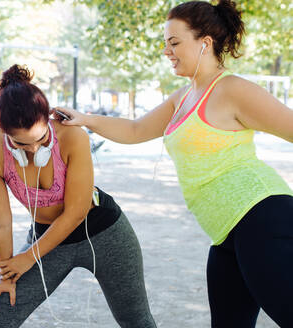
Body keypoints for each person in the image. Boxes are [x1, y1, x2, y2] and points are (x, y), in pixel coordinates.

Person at [54, 1, 293, 327]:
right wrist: (84, 119)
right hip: (225, 235)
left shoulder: (233, 90)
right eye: (165, 44)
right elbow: (136, 130)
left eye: (175, 43)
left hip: (260, 217)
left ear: (205, 42)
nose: (167, 51)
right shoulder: (183, 98)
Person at [0, 64, 156, 328]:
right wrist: (6, 273)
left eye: (41, 139)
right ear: (4, 133)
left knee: (136, 320)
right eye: (22, 144)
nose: (35, 149)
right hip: (46, 238)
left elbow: (76, 212)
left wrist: (28, 258)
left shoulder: (73, 135)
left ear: (47, 118)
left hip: (102, 232)